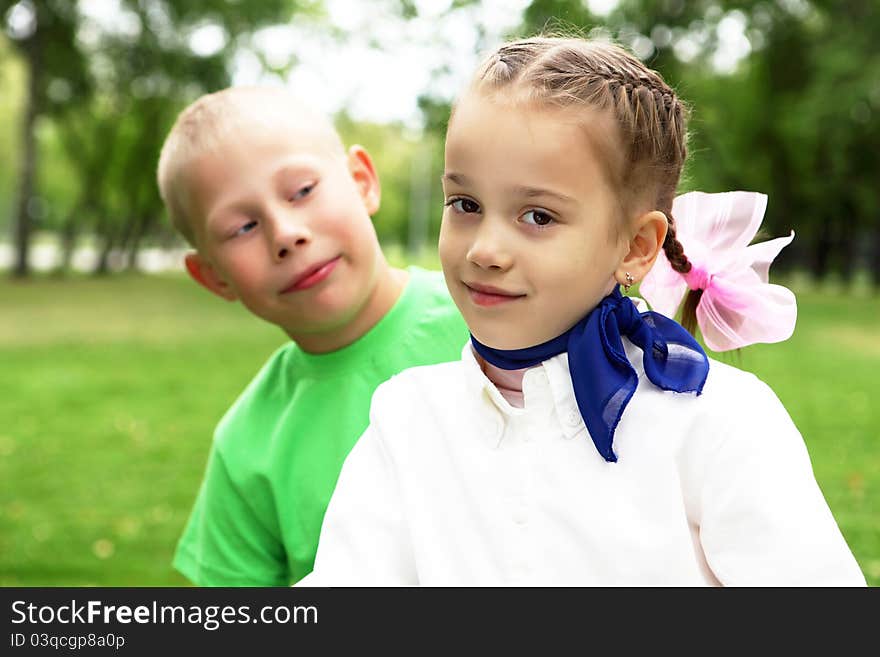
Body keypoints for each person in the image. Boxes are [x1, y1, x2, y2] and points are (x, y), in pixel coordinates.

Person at [300, 37, 866, 585]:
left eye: (538, 216)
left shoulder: (716, 424)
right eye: (465, 204)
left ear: (635, 247)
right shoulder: (407, 419)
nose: (484, 250)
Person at [156, 86, 468, 586]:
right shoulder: (246, 447)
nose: (285, 234)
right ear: (214, 276)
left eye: (302, 191)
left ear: (362, 181)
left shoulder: (494, 325)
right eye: (242, 227)